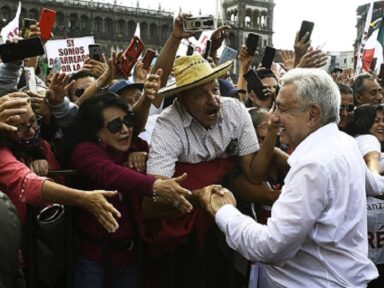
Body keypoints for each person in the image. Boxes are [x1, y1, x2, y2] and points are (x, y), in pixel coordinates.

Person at [210, 68, 378, 287]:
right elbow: (374, 184)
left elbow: (270, 247)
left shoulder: (312, 165)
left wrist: (223, 211)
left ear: (313, 114)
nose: (273, 118)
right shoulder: (344, 143)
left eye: (282, 108)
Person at [68, 91, 192, 288]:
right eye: (115, 126)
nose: (125, 130)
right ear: (96, 131)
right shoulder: (84, 150)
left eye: (128, 121)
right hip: (93, 260)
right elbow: (109, 173)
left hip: (132, 259)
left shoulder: (137, 146)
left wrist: (141, 154)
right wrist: (154, 185)